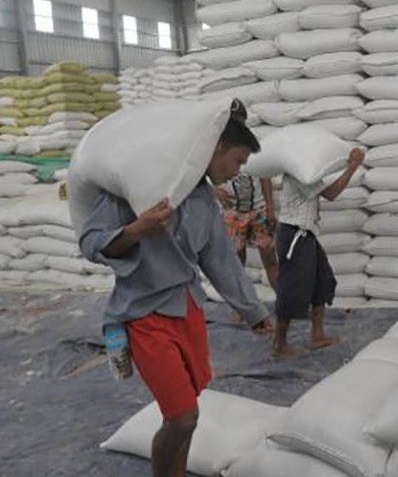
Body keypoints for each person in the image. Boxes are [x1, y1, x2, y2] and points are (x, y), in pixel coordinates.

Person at [79, 116, 273, 477]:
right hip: (144, 315)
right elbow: (91, 242)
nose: (237, 172)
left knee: (187, 416)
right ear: (217, 147)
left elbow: (220, 259)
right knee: (182, 417)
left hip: (188, 311)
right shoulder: (136, 186)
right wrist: (135, 231)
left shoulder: (203, 199)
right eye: (237, 160)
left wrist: (254, 311)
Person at [273, 147, 365, 357]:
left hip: (307, 234)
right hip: (295, 236)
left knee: (322, 280)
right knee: (292, 288)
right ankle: (279, 343)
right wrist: (352, 167)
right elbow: (331, 193)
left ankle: (317, 335)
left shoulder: (308, 172)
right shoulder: (299, 174)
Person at [215, 100, 279, 292]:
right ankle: (240, 304)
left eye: (239, 121)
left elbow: (264, 175)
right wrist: (214, 190)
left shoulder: (253, 143)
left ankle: (284, 302)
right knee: (236, 262)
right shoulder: (215, 143)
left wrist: (270, 207)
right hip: (232, 212)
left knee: (269, 257)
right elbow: (200, 170)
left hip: (258, 209)